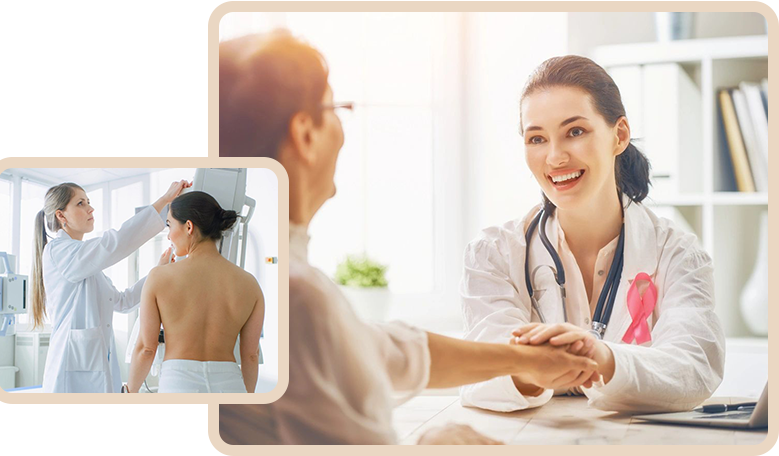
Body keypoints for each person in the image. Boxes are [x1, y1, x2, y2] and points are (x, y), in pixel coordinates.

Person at [218, 31, 599, 445]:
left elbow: (379, 348)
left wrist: (522, 360)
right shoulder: (296, 296)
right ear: (305, 134)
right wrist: (437, 443)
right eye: (336, 109)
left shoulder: (253, 268)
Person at [459, 55, 725, 413]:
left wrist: (602, 358)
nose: (554, 157)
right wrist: (531, 368)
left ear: (619, 136)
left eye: (575, 131)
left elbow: (694, 367)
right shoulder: (493, 253)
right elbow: (478, 370)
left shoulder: (677, 254)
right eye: (536, 138)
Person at [33, 180, 191, 393]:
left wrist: (157, 271)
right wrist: (164, 200)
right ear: (61, 216)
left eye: (88, 202)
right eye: (80, 203)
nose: (90, 208)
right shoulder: (59, 252)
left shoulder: (86, 263)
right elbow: (113, 243)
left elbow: (123, 302)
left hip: (96, 368)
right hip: (69, 373)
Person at [126, 191, 264, 393]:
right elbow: (251, 355)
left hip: (179, 383)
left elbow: (146, 349)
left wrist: (129, 392)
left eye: (169, 225)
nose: (169, 235)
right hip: (230, 384)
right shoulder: (250, 284)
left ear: (188, 226)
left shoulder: (159, 277)